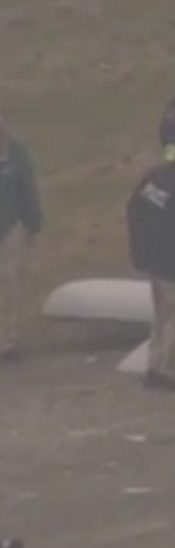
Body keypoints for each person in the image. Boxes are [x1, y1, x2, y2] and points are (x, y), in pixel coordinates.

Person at [126, 137, 175, 389]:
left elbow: (134, 211)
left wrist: (140, 254)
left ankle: (154, 365)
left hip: (153, 260)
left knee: (161, 317)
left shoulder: (154, 177)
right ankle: (170, 371)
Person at [0, 111, 42, 362]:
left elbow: (28, 188)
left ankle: (9, 339)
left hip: (11, 227)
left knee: (9, 282)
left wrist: (33, 224)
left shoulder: (17, 153)